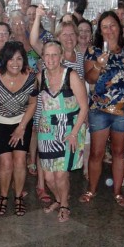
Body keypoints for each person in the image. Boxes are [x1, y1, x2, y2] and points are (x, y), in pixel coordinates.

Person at [82, 11, 124, 206]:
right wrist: (98, 65)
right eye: (104, 26)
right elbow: (90, 79)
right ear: (100, 30)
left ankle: (118, 192)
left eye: (112, 25)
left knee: (119, 153)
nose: (109, 30)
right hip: (99, 110)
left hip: (123, 109)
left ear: (119, 28)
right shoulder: (93, 51)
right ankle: (91, 189)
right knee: (96, 153)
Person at [37, 41, 88, 221]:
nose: (50, 59)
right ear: (43, 57)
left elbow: (84, 107)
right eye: (47, 55)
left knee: (60, 174)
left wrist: (74, 133)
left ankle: (65, 204)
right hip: (46, 130)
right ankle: (59, 199)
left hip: (69, 129)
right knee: (49, 178)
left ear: (61, 57)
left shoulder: (71, 76)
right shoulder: (40, 77)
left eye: (54, 55)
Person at [0, 41, 37, 217]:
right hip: (0, 123)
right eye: (11, 59)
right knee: (6, 162)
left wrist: (21, 127)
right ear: (4, 60)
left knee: (20, 160)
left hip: (22, 122)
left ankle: (18, 197)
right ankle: (3, 196)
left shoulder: (31, 77)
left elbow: (32, 103)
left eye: (19, 58)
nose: (15, 63)